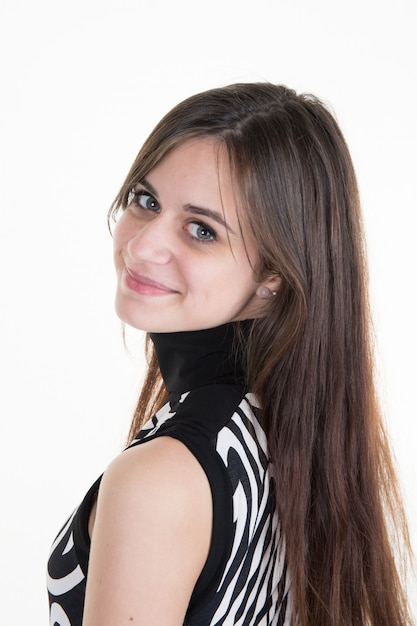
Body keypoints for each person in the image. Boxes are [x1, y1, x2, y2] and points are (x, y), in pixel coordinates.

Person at [47, 83, 413, 626]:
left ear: (273, 275)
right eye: (146, 200)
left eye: (202, 230)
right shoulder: (287, 431)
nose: (143, 245)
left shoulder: (162, 477)